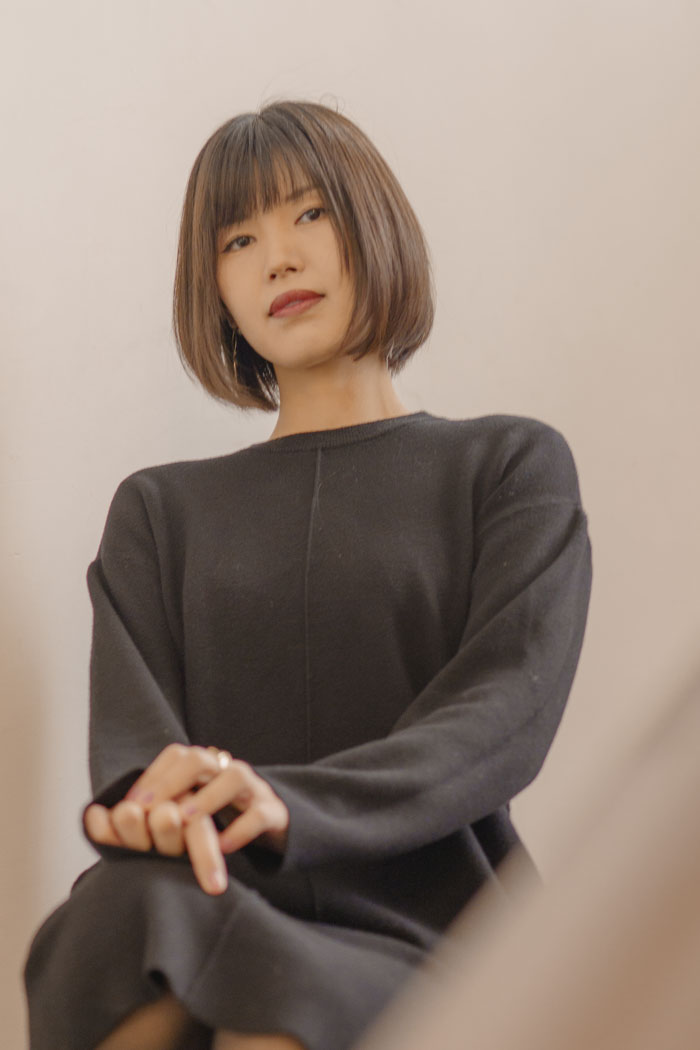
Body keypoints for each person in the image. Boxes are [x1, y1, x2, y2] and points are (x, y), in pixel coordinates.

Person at [22, 98, 593, 1050]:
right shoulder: (159, 511)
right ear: (213, 285)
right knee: (124, 918)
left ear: (374, 222)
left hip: (427, 918)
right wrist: (161, 811)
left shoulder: (507, 467)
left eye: (309, 213)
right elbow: (138, 759)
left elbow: (503, 714)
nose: (277, 260)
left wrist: (292, 806)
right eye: (238, 240)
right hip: (205, 893)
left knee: (280, 993)